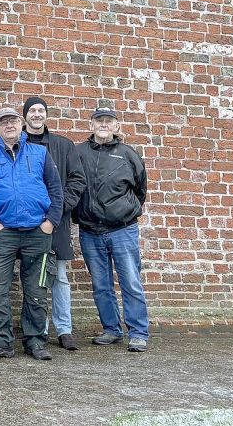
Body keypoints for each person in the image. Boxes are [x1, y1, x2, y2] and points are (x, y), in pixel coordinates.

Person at [0, 107, 64, 362]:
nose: (9, 125)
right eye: (3, 122)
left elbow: (55, 188)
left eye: (12, 120)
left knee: (36, 289)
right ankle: (2, 342)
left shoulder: (39, 153)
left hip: (37, 231)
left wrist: (50, 222)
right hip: (3, 233)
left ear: (21, 124)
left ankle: (35, 341)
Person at [74, 107, 150, 352]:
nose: (103, 125)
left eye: (109, 121)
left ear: (117, 127)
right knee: (101, 285)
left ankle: (138, 332)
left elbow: (140, 189)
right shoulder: (78, 153)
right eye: (99, 121)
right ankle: (111, 329)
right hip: (89, 231)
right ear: (91, 126)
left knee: (130, 281)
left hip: (122, 230)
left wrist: (127, 211)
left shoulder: (128, 154)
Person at [22, 96, 87, 351]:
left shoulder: (63, 145)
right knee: (33, 278)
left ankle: (64, 328)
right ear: (25, 115)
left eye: (41, 110)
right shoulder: (18, 144)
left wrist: (57, 210)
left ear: (45, 115)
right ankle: (39, 328)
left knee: (59, 277)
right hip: (27, 224)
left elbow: (77, 180)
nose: (36, 115)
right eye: (32, 111)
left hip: (56, 221)